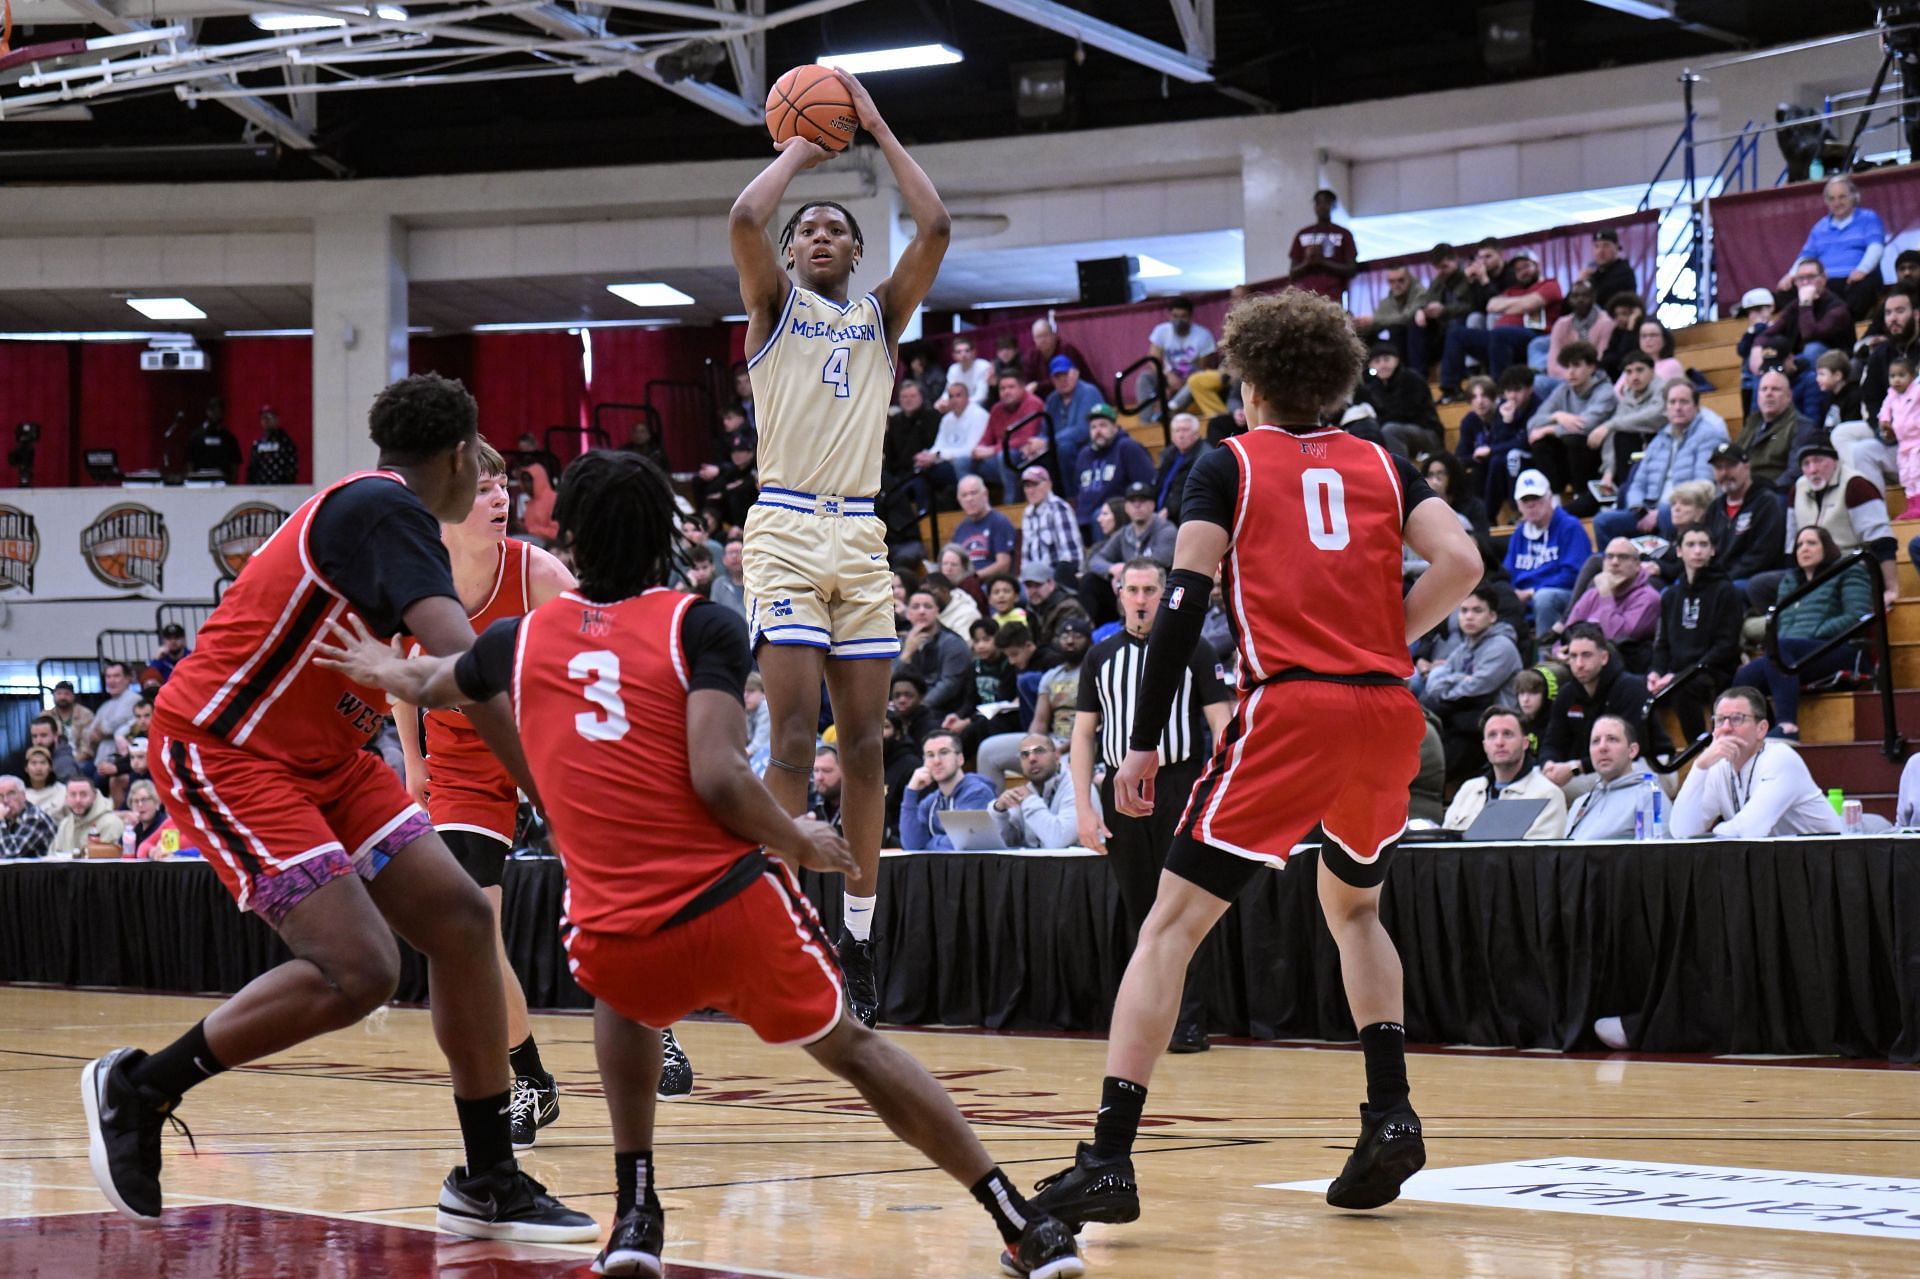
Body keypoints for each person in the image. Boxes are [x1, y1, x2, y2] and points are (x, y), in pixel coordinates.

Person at [314, 449, 1083, 1278]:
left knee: (623, 991)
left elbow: (436, 680)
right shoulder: (697, 624)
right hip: (725, 903)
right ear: (666, 541)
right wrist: (795, 840)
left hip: (613, 926)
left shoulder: (516, 638)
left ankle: (637, 1209)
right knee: (855, 1048)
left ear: (570, 535)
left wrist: (384, 668)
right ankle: (1020, 1219)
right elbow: (718, 775)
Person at [79, 374, 597, 1240]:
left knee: (465, 922)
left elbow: (440, 678)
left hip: (331, 758)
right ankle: (140, 1086)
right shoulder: (385, 514)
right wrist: (558, 800)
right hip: (227, 749)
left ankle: (487, 1177)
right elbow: (470, 680)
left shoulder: (394, 520)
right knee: (364, 969)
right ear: (462, 458)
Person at [1031, 289, 1481, 1229]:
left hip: (1292, 708)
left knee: (1168, 927)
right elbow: (1465, 564)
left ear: (1249, 382)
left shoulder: (1225, 461)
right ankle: (1390, 1110)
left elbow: (1184, 602)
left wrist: (1142, 739)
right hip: (1389, 709)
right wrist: (1384, 641)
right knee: (1355, 905)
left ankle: (1108, 1158)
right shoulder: (1383, 460)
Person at [729, 70, 951, 1029]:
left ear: (858, 251)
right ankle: (774, 923)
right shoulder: (774, 308)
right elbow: (744, 215)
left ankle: (855, 932)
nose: (820, 235)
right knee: (788, 739)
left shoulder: (879, 318)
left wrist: (875, 124)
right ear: (791, 254)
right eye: (806, 229)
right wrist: (807, 147)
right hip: (781, 527)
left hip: (859, 533)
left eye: (835, 229)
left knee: (865, 745)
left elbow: (936, 226)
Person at [390, 440, 672, 1141]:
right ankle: (530, 1078)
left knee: (618, 899)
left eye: (502, 488)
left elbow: (602, 653)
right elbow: (401, 673)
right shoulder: (413, 573)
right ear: (448, 501)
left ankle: (657, 1023)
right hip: (462, 763)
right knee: (469, 928)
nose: (497, 500)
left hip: (550, 748)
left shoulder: (538, 571)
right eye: (483, 488)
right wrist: (414, 762)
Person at [1070, 556, 1232, 1052]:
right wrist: (1083, 808)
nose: (1141, 599)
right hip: (1117, 791)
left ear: (1165, 595)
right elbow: (1082, 736)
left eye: (1149, 590)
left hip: (1180, 785)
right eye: (1132, 590)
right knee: (1142, 907)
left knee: (1181, 908)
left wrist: (1223, 794)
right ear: (1119, 594)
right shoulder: (1099, 657)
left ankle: (1189, 1020)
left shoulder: (1195, 648)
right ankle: (1150, 1018)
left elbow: (1222, 725)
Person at [1733, 526, 1874, 739]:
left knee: (1781, 648)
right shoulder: (1790, 581)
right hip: (1795, 652)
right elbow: (1780, 625)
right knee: (1745, 675)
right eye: (1799, 544)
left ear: (1827, 547)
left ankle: (1788, 726)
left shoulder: (1849, 569)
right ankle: (1765, 733)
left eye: (1811, 543)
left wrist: (1816, 633)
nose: (1804, 548)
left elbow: (1857, 616)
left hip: (1840, 649)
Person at [1668, 688, 1842, 838]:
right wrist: (1700, 767)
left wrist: (1711, 834)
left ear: (1762, 729)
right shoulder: (1717, 767)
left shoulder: (1781, 758)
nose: (1726, 728)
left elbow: (1749, 830)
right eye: (1720, 720)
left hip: (1822, 862)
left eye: (1737, 719)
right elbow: (1682, 831)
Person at [1597, 380, 1729, 545]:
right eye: (1672, 402)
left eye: (1684, 402)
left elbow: (1702, 486)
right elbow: (1638, 483)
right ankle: (1617, 566)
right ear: (1666, 408)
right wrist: (1639, 509)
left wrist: (1658, 513)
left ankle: (1668, 563)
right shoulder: (1659, 439)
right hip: (1648, 510)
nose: (1677, 407)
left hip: (1685, 509)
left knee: (1669, 513)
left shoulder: (1709, 436)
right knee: (1603, 522)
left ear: (1696, 407)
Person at [1646, 524, 1744, 743]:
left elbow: (1726, 646)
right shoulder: (1670, 596)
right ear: (1679, 551)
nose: (1697, 551)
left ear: (1713, 550)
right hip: (1680, 673)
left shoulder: (1726, 591)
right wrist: (1656, 672)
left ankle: (1700, 747)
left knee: (1683, 687)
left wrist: (1684, 674)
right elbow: (1662, 644)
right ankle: (1660, 753)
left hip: (1715, 670)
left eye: (1703, 545)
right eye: (1691, 545)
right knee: (1636, 688)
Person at [1539, 623, 1664, 792]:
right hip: (1595, 767)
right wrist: (1549, 765)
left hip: (1648, 764)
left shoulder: (1631, 687)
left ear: (1604, 657)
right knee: (1534, 783)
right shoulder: (1567, 694)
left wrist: (1575, 768)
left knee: (1550, 791)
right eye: (1573, 656)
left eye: (1586, 655)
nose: (1579, 663)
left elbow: (1627, 749)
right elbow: (1552, 742)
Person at [1417, 585, 1522, 782]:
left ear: (1492, 616)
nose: (1469, 616)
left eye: (1477, 610)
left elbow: (1476, 688)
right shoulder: (1464, 648)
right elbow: (1434, 684)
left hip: (1492, 721)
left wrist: (1451, 679)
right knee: (1429, 712)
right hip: (1462, 715)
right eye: (1464, 611)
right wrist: (1459, 678)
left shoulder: (1502, 646)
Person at [1441, 707, 1570, 839]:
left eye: (1507, 734)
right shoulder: (1468, 790)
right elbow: (1445, 846)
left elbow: (1542, 855)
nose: (1499, 742)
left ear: (1525, 743)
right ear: (1485, 746)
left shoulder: (1548, 794)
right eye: (1492, 735)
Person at [1779, 175, 1887, 320]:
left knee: (1864, 286)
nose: (1837, 202)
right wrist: (1791, 274)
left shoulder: (1868, 218)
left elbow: (1876, 248)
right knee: (1786, 290)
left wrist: (1863, 269)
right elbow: (1806, 257)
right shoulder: (1819, 227)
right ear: (1826, 201)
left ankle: (1840, 322)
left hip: (1853, 280)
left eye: (1842, 197)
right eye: (1832, 198)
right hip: (1824, 283)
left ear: (1854, 197)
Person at [1524, 340, 1617, 506]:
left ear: (1591, 367)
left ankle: (1580, 495)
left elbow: (1584, 426)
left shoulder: (1605, 390)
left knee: (1573, 438)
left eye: (1576, 365)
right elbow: (1532, 423)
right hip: (1568, 456)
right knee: (1539, 443)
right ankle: (1554, 498)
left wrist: (1550, 429)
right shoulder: (1563, 390)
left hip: (1596, 453)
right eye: (1567, 367)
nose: (1571, 372)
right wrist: (1557, 416)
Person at [1504, 469, 1592, 637]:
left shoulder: (1570, 527)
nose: (1531, 504)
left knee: (1544, 598)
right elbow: (1508, 574)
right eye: (1525, 500)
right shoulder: (1519, 534)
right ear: (1519, 505)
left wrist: (1533, 592)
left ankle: (1546, 658)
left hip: (1563, 596)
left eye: (1536, 498)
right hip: (1524, 600)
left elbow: (1574, 575)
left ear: (1550, 499)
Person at [1704, 442, 1789, 592]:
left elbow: (1763, 555)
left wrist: (1723, 579)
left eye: (1731, 465)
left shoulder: (1766, 502)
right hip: (1720, 577)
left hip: (1752, 579)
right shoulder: (1715, 508)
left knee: (1726, 592)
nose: (1725, 473)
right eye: (1719, 468)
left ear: (1746, 467)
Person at [899, 729, 997, 850]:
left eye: (944, 752)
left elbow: (964, 844)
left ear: (960, 759)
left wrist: (929, 843)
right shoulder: (931, 801)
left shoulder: (977, 792)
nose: (936, 761)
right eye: (930, 755)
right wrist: (911, 792)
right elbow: (912, 845)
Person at [1072, 404, 1156, 534]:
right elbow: (1078, 488)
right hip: (1086, 516)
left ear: (1115, 428)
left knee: (1100, 516)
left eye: (1103, 425)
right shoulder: (1084, 454)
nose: (1098, 431)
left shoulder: (1127, 447)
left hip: (1118, 513)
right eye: (1093, 427)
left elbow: (1146, 483)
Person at [1562, 715, 1646, 840]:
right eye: (1595, 741)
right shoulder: (1580, 804)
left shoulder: (1649, 797)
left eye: (1612, 739)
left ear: (1632, 750)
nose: (1602, 747)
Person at [991, 734, 1080, 849]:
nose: (1032, 759)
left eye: (1039, 751)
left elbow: (1058, 840)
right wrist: (999, 811)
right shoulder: (1027, 791)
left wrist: (1029, 800)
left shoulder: (1077, 787)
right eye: (1024, 754)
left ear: (1057, 755)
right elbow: (1007, 843)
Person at [1355, 342, 1443, 459]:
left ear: (1396, 360)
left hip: (1427, 434)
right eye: (1377, 361)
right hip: (1396, 436)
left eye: (1386, 359)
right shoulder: (1372, 387)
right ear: (1370, 366)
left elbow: (1406, 414)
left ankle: (1399, 474)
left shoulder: (1412, 379)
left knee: (1390, 429)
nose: (1382, 365)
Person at [897, 588, 972, 718]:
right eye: (915, 607)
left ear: (937, 611)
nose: (922, 611)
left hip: (942, 710)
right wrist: (906, 654)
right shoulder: (900, 642)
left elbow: (949, 685)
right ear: (908, 613)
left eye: (928, 606)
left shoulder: (953, 643)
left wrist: (918, 708)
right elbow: (888, 682)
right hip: (904, 706)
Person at [1287, 188, 1358, 301]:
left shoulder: (1344, 234)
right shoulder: (1302, 234)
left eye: (1326, 202)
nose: (1322, 206)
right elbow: (1292, 272)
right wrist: (1308, 263)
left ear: (1333, 206)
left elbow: (1352, 269)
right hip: (1305, 297)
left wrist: (1323, 262)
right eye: (1318, 203)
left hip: (1333, 296)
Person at [951, 474, 1017, 578]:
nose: (969, 499)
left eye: (973, 493)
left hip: (991, 585)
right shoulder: (960, 529)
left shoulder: (999, 522)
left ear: (985, 494)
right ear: (959, 500)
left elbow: (1004, 564)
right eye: (964, 495)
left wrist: (974, 578)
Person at [1154, 412, 1212, 523]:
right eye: (1177, 431)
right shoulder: (1168, 454)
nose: (1181, 435)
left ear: (1196, 434)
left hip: (1186, 519)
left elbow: (1192, 491)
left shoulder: (1204, 456)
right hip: (1161, 516)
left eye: (1185, 430)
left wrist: (1169, 511)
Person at [1146, 296, 1216, 377]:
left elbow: (1203, 369)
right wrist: (1166, 376)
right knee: (1146, 377)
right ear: (1169, 316)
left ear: (1190, 317)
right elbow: (1153, 360)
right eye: (1175, 316)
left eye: (1183, 316)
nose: (1179, 320)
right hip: (1166, 376)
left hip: (1192, 379)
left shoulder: (1204, 335)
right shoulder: (1161, 331)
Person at [0, 773, 57, 859]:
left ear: (23, 796)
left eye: (11, 794)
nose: (5, 800)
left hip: (42, 870)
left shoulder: (34, 817)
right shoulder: (8, 817)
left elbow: (10, 854)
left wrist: (0, 821)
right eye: (0, 796)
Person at [184, 397, 241, 481]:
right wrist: (192, 480)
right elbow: (189, 461)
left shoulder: (229, 438)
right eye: (213, 411)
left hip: (223, 484)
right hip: (200, 483)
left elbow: (234, 464)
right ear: (207, 412)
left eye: (219, 411)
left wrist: (232, 483)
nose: (216, 415)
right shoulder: (196, 437)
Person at [247, 407, 300, 485]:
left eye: (269, 417)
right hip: (260, 486)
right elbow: (252, 467)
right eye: (263, 418)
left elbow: (292, 466)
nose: (266, 421)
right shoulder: (258, 444)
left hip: (281, 486)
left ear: (276, 420)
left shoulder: (285, 442)